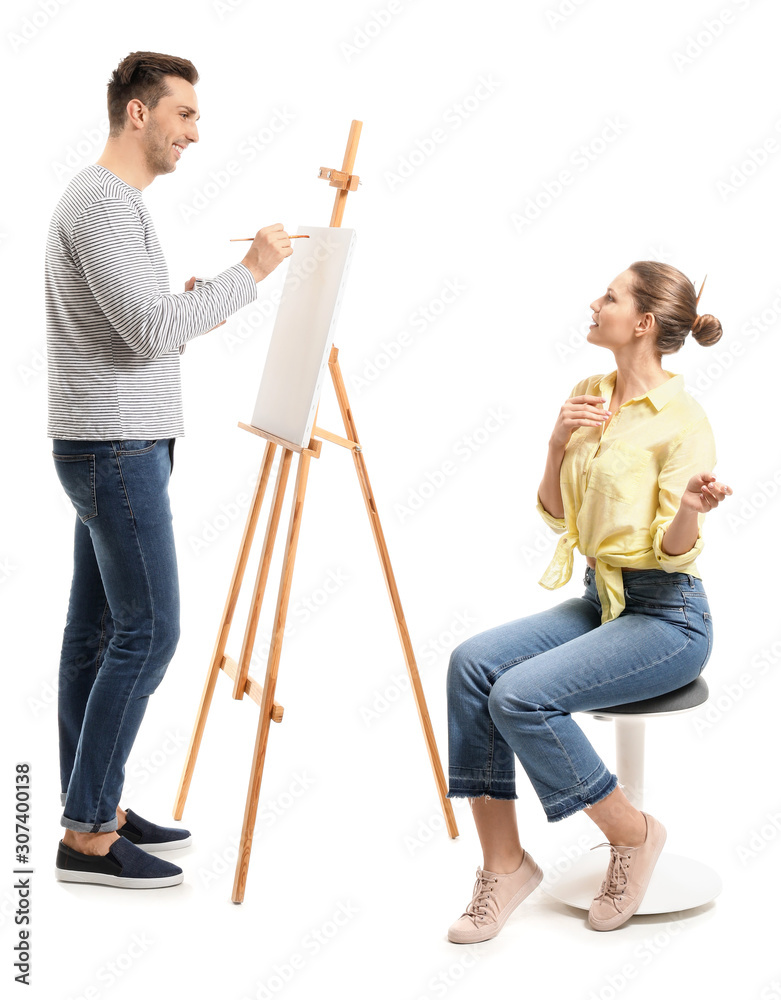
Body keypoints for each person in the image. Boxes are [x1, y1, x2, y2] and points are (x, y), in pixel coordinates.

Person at [47, 50, 293, 888]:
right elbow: (153, 331)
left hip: (114, 442)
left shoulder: (113, 204)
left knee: (97, 635)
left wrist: (190, 305)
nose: (195, 131)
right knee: (151, 632)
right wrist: (250, 274)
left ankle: (94, 807)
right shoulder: (104, 204)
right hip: (114, 449)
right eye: (184, 114)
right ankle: (86, 835)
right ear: (137, 114)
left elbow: (142, 327)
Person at [445, 261, 732, 939]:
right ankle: (504, 864)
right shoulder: (587, 393)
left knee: (517, 695)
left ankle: (631, 835)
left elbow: (675, 552)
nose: (593, 303)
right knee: (470, 665)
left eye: (609, 296)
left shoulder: (682, 420)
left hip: (666, 616)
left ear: (641, 324)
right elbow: (556, 517)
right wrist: (555, 441)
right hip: (600, 600)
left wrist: (690, 509)